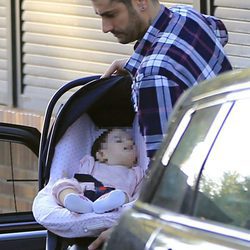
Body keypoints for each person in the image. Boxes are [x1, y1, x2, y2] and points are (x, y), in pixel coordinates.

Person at [88, 0, 233, 249]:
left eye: (111, 15)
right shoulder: (184, 15)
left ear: (140, 2)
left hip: (214, 204)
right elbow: (219, 31)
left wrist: (129, 229)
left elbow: (166, 176)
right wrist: (137, 63)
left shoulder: (154, 77)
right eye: (101, 16)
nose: (105, 27)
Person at [52, 128, 143, 215]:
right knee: (62, 184)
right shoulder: (91, 163)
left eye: (133, 142)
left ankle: (104, 205)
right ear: (102, 154)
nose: (129, 142)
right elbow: (79, 178)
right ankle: (74, 202)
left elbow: (139, 195)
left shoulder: (136, 173)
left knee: (125, 197)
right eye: (119, 140)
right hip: (85, 194)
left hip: (115, 200)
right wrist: (68, 181)